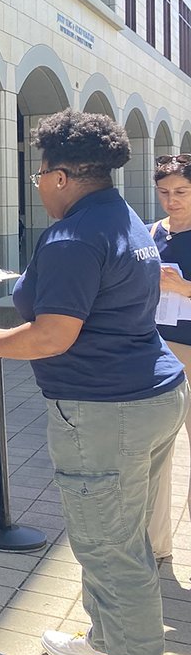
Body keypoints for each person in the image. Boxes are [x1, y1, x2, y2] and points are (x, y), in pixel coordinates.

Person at [0, 109, 187, 655]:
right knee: (115, 537)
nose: (40, 189)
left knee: (111, 549)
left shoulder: (75, 236)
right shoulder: (121, 216)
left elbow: (52, 336)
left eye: (38, 179)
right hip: (152, 393)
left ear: (57, 176)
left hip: (106, 410)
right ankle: (105, 649)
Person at [148, 153, 191, 561]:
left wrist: (185, 288)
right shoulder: (150, 234)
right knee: (154, 452)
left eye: (181, 192)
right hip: (155, 350)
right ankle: (156, 546)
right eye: (164, 192)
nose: (171, 200)